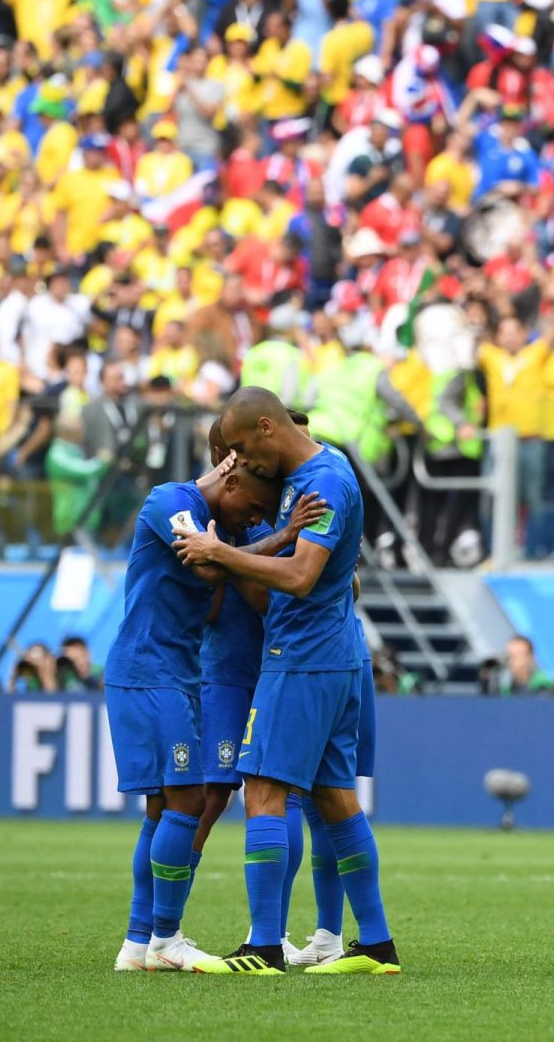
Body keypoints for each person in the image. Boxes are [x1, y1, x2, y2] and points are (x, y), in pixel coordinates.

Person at [173, 386, 399, 976]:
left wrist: (219, 552)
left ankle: (264, 947)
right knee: (336, 799)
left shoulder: (321, 482)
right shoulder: (322, 471)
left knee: (265, 791)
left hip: (303, 657)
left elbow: (301, 575)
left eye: (245, 450)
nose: (244, 465)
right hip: (333, 656)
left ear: (268, 429)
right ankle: (376, 945)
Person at [106, 448, 282, 974]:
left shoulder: (215, 521)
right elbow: (205, 564)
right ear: (229, 483)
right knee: (190, 800)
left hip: (172, 674)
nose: (252, 520)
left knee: (162, 808)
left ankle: (139, 944)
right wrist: (281, 537)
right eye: (253, 508)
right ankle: (166, 938)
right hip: (150, 672)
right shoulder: (171, 500)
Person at [188, 417, 336, 968]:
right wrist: (273, 540)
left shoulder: (288, 501)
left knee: (284, 797)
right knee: (207, 798)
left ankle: (268, 931)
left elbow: (330, 581)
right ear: (232, 460)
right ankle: (159, 931)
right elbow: (237, 599)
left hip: (282, 667)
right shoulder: (209, 514)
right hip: (229, 669)